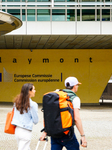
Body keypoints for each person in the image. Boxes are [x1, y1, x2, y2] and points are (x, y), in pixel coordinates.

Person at [40, 76, 87, 150]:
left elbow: (49, 115)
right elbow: (76, 118)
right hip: (67, 133)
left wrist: (45, 131)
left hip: (54, 133)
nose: (77, 87)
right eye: (77, 85)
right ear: (75, 86)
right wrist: (83, 135)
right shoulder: (75, 99)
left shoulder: (57, 96)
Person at [11, 83, 39, 150]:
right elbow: (36, 121)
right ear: (29, 91)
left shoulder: (16, 102)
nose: (35, 91)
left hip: (17, 130)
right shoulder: (33, 104)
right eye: (34, 89)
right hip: (25, 131)